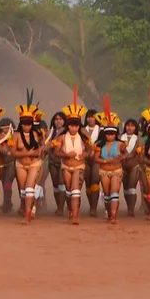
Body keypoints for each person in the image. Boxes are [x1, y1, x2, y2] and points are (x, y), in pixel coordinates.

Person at [53, 89, 91, 225]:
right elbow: (56, 153)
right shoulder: (62, 137)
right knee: (69, 191)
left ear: (78, 125)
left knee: (75, 190)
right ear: (68, 126)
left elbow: (90, 151)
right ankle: (71, 210)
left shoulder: (84, 137)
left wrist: (83, 155)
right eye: (71, 126)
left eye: (76, 126)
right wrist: (66, 154)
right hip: (65, 165)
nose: (74, 128)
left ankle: (75, 215)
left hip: (78, 166)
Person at [11, 91, 46, 223]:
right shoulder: (16, 136)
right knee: (24, 190)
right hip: (20, 164)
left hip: (34, 164)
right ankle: (29, 209)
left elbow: (43, 147)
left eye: (29, 123)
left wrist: (41, 149)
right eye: (25, 124)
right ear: (21, 123)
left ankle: (27, 215)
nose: (27, 126)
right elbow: (14, 153)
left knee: (30, 188)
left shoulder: (38, 134)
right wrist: (28, 153)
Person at [95, 98, 126, 224]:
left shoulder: (120, 144)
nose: (110, 136)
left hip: (116, 171)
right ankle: (109, 214)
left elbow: (126, 155)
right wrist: (107, 162)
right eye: (108, 133)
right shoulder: (99, 144)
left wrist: (121, 157)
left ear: (116, 134)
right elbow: (95, 158)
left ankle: (114, 216)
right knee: (107, 195)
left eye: (112, 134)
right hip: (104, 171)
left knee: (114, 193)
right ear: (104, 134)